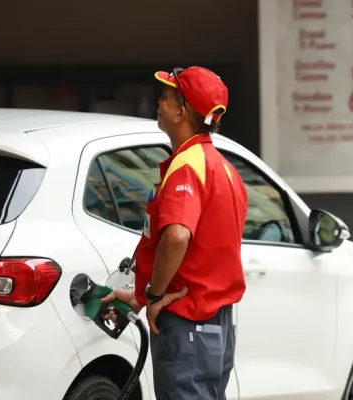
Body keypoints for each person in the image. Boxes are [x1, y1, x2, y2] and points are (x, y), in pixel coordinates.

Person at [101, 66, 248, 400]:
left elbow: (179, 236)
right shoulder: (224, 169)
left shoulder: (187, 166)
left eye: (166, 96)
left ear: (181, 110)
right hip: (215, 325)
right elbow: (204, 253)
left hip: (187, 326)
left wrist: (154, 295)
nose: (158, 102)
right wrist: (140, 297)